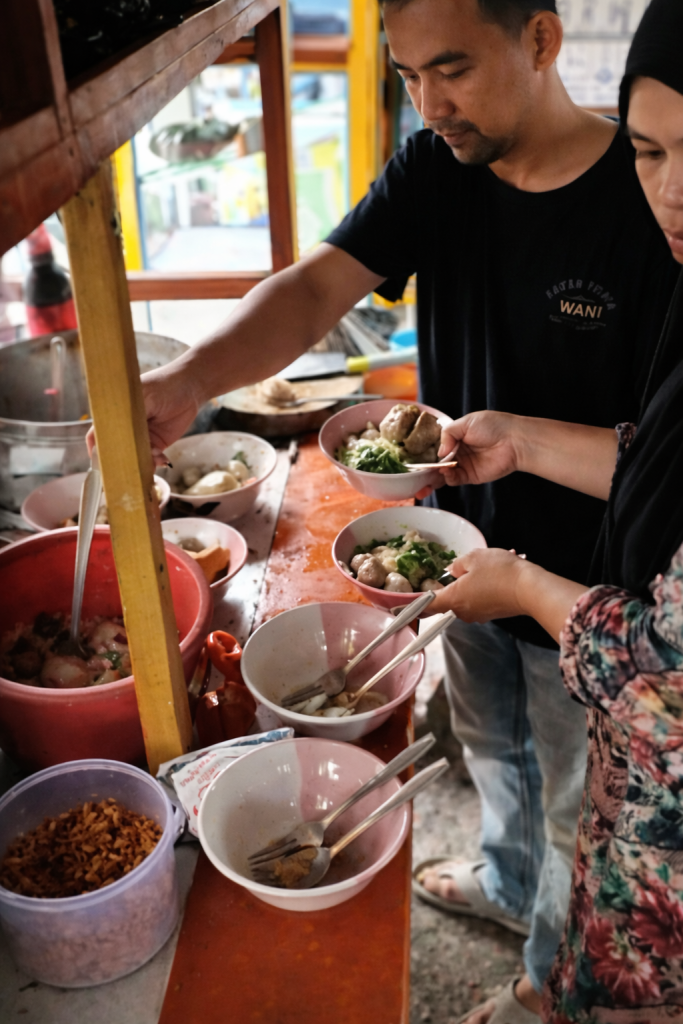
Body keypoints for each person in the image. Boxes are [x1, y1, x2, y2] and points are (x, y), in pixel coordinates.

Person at [138, 0, 678, 1017]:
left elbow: (658, 461)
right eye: (405, 78)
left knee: (578, 808)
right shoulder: (438, 167)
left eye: (453, 69)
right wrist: (184, 379)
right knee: (490, 749)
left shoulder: (646, 198)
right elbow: (312, 292)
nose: (429, 104)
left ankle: (546, 982)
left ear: (539, 39)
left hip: (586, 594)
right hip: (450, 561)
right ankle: (503, 883)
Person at [425, 3, 683, 1017]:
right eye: (651, 150)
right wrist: (522, 441)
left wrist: (524, 585)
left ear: (536, 43)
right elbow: (661, 468)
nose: (671, 191)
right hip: (634, 826)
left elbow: (665, 688)